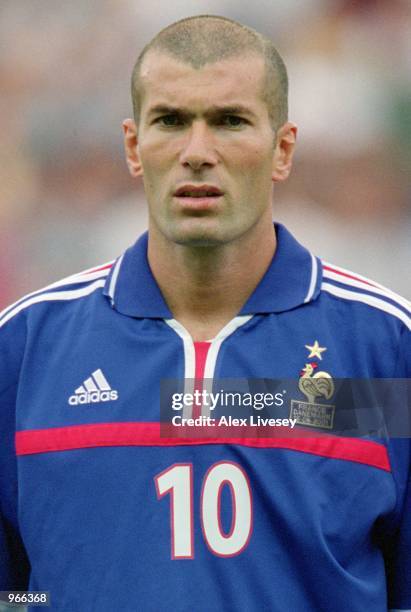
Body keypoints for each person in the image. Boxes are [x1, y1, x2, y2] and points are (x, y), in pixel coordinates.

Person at [0, 14, 410, 612]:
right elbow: (14, 593)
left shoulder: (386, 350)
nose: (198, 152)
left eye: (230, 121)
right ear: (134, 147)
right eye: (170, 121)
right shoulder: (26, 350)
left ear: (282, 149)